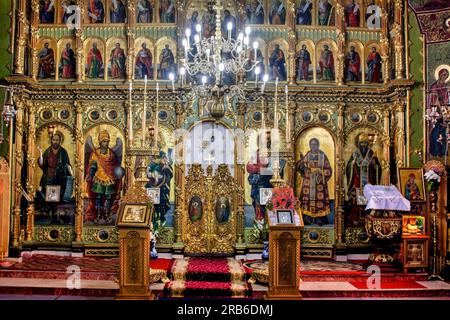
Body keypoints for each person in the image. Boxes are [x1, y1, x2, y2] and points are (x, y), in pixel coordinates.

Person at [85, 131, 124, 224]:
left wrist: (119, 173)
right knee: (98, 197)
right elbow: (93, 166)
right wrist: (90, 174)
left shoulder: (111, 154)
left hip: (110, 180)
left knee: (108, 197)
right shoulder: (95, 153)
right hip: (98, 179)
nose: (106, 143)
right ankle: (98, 215)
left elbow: (114, 166)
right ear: (100, 142)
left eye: (107, 141)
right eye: (104, 141)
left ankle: (106, 214)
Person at [345, 133, 382, 226]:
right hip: (357, 183)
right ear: (358, 143)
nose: (363, 145)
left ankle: (368, 222)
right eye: (361, 143)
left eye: (365, 143)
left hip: (370, 184)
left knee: (369, 204)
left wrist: (375, 164)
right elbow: (348, 167)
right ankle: (356, 221)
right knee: (356, 204)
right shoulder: (355, 154)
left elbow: (378, 168)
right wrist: (352, 164)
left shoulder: (372, 154)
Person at [296, 138, 332, 225]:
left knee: (319, 200)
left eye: (315, 144)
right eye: (311, 144)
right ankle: (308, 219)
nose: (313, 146)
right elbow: (301, 168)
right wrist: (301, 163)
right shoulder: (307, 155)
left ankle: (319, 219)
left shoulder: (322, 155)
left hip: (319, 182)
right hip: (308, 181)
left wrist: (322, 174)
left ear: (318, 145)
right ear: (309, 145)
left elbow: (328, 169)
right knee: (307, 200)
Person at [36, 132, 73, 217]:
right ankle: (49, 214)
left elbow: (67, 165)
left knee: (57, 198)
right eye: (54, 140)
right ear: (51, 141)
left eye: (57, 140)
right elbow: (41, 164)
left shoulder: (63, 152)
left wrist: (71, 173)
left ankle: (56, 215)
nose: (55, 142)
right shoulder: (48, 151)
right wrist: (41, 153)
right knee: (48, 197)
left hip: (59, 178)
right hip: (48, 177)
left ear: (60, 141)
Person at [146, 150, 173, 223]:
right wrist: (153, 176)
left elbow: (170, 175)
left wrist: (166, 169)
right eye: (164, 158)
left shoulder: (165, 166)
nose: (165, 160)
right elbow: (148, 175)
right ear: (160, 158)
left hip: (163, 190)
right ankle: (153, 221)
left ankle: (161, 219)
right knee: (153, 207)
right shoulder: (152, 165)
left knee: (162, 205)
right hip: (153, 190)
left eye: (165, 158)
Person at [247, 149, 273, 221]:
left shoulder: (271, 160)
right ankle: (260, 225)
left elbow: (272, 174)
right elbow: (251, 177)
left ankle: (266, 225)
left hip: (267, 189)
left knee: (267, 208)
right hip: (257, 190)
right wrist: (257, 173)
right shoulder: (254, 160)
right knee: (259, 208)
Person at [429, 68, 449, 157]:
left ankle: (443, 152)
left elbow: (447, 99)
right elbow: (434, 99)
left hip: (445, 111)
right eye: (444, 75)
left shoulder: (446, 86)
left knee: (444, 132)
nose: (446, 77)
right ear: (440, 75)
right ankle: (435, 151)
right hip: (436, 112)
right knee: (436, 131)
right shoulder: (434, 86)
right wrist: (440, 110)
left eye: (447, 75)